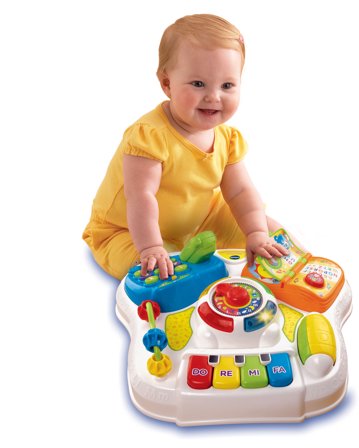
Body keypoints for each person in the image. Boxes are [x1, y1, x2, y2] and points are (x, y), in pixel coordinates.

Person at [82, 13, 291, 280]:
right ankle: (171, 261)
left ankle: (293, 271)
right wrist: (151, 247)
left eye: (227, 85)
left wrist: (256, 233)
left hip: (199, 220)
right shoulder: (149, 136)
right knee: (155, 270)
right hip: (127, 230)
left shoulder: (227, 138)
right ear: (167, 84)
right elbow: (141, 197)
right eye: (198, 84)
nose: (213, 96)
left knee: (268, 230)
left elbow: (240, 191)